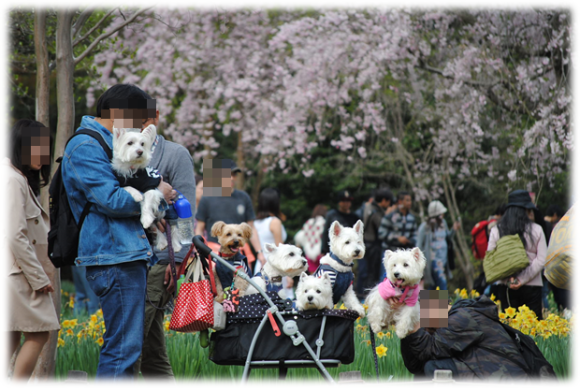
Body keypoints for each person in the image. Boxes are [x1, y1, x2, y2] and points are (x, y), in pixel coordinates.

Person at [61, 84, 176, 379]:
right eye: (137, 121)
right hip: (113, 257)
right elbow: (110, 200)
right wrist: (156, 190)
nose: (139, 129)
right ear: (119, 114)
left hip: (125, 253)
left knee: (127, 347)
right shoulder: (86, 146)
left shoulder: (106, 142)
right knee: (122, 350)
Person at [136, 107, 196, 379]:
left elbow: (187, 215)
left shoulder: (175, 154)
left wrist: (178, 259)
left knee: (134, 341)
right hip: (130, 255)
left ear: (156, 116)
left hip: (160, 258)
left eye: (144, 119)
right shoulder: (123, 148)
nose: (139, 126)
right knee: (150, 347)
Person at [5, 120, 60, 381]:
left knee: (12, 332)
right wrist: (39, 279)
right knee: (39, 332)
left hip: (15, 272)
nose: (45, 155)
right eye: (39, 148)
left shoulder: (13, 176)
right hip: (19, 275)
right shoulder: (12, 180)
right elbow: (15, 235)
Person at [400, 295, 532, 380]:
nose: (425, 331)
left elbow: (429, 350)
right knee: (423, 373)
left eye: (425, 326)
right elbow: (415, 366)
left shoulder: (463, 317)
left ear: (430, 315)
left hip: (507, 378)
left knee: (434, 367)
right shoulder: (447, 319)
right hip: (486, 372)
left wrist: (413, 324)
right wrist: (406, 331)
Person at [488, 190, 547, 320]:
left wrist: (509, 277)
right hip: (532, 285)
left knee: (511, 329)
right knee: (533, 330)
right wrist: (523, 278)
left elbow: (491, 258)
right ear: (525, 209)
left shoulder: (496, 230)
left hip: (506, 285)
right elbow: (542, 259)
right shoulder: (536, 229)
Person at [195, 159, 266, 267]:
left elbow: (251, 227)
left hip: (240, 252)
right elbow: (200, 228)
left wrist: (260, 252)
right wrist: (199, 250)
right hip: (214, 252)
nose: (232, 178)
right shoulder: (207, 198)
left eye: (234, 174)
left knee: (243, 282)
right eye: (228, 175)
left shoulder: (243, 197)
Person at [356, 188, 397, 299]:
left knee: (366, 272)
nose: (389, 204)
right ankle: (365, 297)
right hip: (373, 245)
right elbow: (381, 227)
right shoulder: (375, 211)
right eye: (388, 201)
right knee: (371, 272)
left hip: (367, 244)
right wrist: (388, 215)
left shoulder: (369, 207)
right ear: (384, 200)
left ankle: (362, 296)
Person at [253, 188, 294, 298]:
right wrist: (288, 274)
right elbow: (280, 251)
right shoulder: (274, 222)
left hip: (260, 264)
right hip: (276, 266)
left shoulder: (255, 222)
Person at [417, 200, 461, 290]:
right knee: (442, 284)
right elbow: (418, 245)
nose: (443, 215)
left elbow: (448, 237)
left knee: (434, 286)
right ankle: (441, 304)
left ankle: (428, 304)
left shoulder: (443, 223)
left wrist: (454, 229)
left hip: (443, 260)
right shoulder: (425, 227)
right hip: (433, 261)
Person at [378, 191, 418, 277]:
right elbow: (381, 233)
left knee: (404, 278)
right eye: (407, 200)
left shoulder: (412, 218)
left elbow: (415, 235)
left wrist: (409, 241)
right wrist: (397, 238)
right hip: (390, 252)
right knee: (386, 277)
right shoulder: (390, 216)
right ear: (400, 201)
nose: (409, 203)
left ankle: (439, 291)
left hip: (405, 254)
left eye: (410, 200)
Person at [320, 190, 360, 256]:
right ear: (339, 202)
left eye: (348, 201)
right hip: (334, 251)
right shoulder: (332, 215)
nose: (346, 203)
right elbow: (325, 233)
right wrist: (323, 251)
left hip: (350, 251)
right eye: (344, 201)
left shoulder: (354, 217)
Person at [294, 204, 328, 273]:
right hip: (322, 253)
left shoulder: (308, 223)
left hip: (309, 253)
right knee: (324, 277)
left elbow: (299, 236)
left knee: (313, 278)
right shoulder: (324, 223)